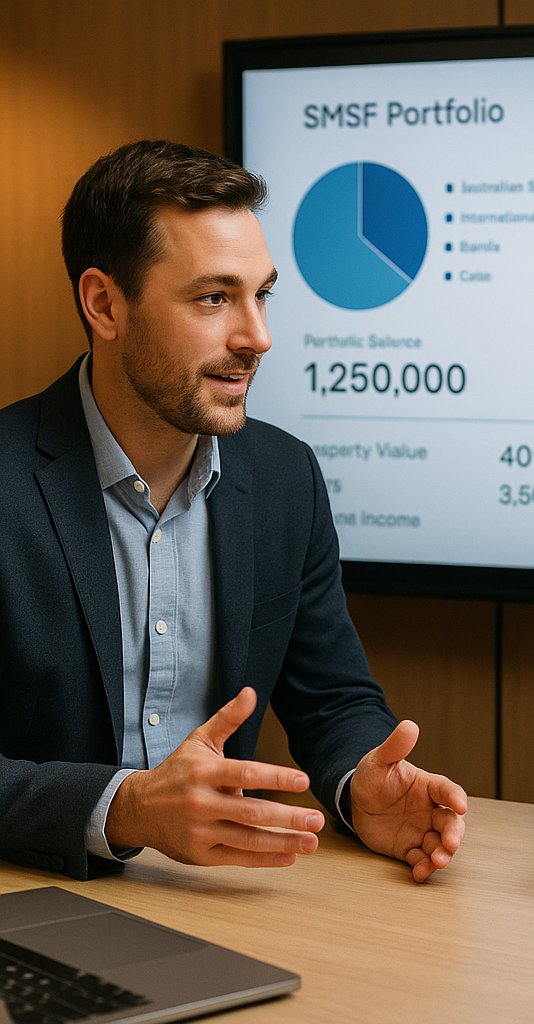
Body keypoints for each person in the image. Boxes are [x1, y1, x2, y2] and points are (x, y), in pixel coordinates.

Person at [0, 140, 466, 882]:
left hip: (217, 904)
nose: (257, 337)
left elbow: (333, 698)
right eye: (214, 298)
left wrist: (361, 783)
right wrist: (124, 808)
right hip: (32, 897)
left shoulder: (286, 478)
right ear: (105, 304)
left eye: (262, 294)